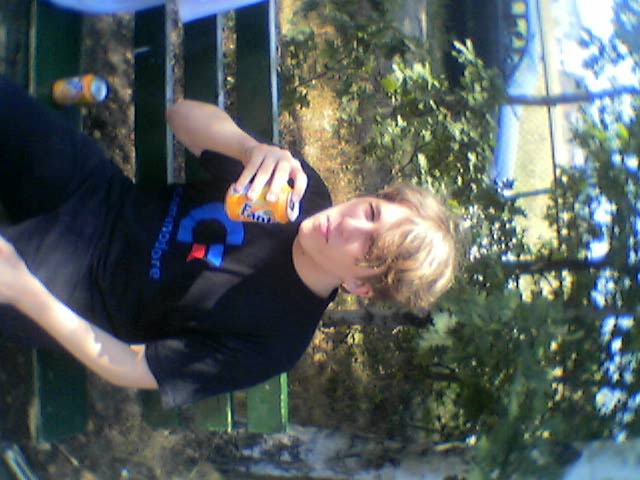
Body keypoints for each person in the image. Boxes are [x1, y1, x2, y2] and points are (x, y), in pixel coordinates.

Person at [0, 76, 458, 408]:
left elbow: (132, 367)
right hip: (95, 192)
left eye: (368, 250)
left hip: (74, 286)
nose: (349, 225)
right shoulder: (299, 189)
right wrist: (249, 148)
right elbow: (181, 115)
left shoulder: (274, 341)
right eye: (372, 213)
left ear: (360, 286)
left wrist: (25, 293)